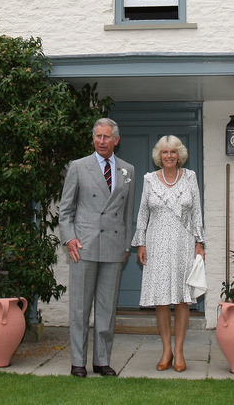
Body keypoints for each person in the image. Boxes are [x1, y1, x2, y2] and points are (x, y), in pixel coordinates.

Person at [58, 118, 136, 378]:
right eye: (97, 136)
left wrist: (126, 245)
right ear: (93, 138)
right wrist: (69, 239)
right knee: (80, 308)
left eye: (106, 137)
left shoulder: (128, 170)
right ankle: (77, 362)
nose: (101, 141)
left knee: (106, 308)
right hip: (84, 247)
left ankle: (102, 361)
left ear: (116, 139)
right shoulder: (78, 167)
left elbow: (127, 213)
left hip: (114, 249)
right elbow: (66, 209)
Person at [131, 135, 205, 373]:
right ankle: (166, 350)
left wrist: (200, 242)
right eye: (165, 152)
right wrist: (140, 243)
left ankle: (180, 351)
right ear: (159, 156)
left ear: (179, 154)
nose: (169, 156)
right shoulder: (149, 179)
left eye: (173, 152)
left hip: (184, 242)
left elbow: (197, 213)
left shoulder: (190, 177)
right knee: (162, 301)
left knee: (183, 300)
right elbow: (143, 213)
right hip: (156, 243)